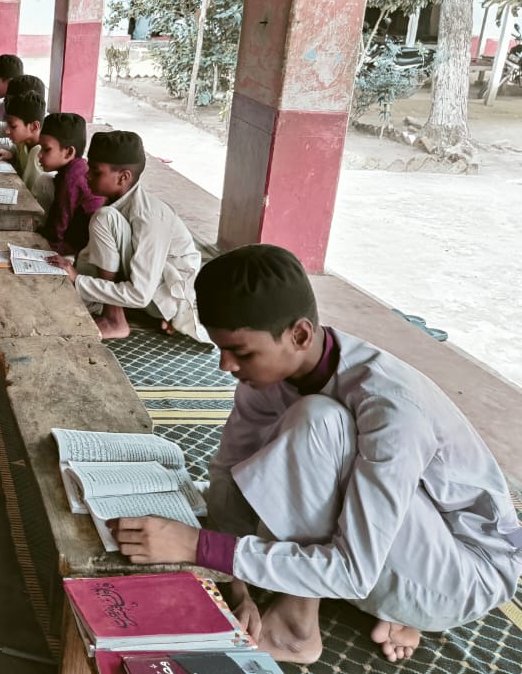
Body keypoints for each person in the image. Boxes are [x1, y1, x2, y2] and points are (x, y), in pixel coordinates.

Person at [110, 244, 522, 666]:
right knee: (295, 447)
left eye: (241, 352)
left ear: (301, 335)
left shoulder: (392, 409)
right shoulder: (273, 369)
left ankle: (295, 631)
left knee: (319, 423)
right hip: (410, 545)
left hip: (469, 572)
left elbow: (354, 571)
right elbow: (227, 477)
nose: (225, 366)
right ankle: (396, 610)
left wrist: (200, 547)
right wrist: (234, 586)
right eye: (221, 349)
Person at [49, 130, 205, 341]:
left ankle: (114, 319)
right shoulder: (118, 201)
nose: (87, 176)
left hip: (160, 300)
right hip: (145, 292)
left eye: (95, 172)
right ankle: (115, 312)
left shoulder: (149, 216)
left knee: (104, 218)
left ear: (123, 177)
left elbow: (140, 294)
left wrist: (78, 280)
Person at [35, 112, 103, 257]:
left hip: (81, 250)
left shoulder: (72, 179)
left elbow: (59, 227)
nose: (39, 154)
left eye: (46, 149)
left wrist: (38, 245)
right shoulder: (74, 168)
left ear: (68, 152)